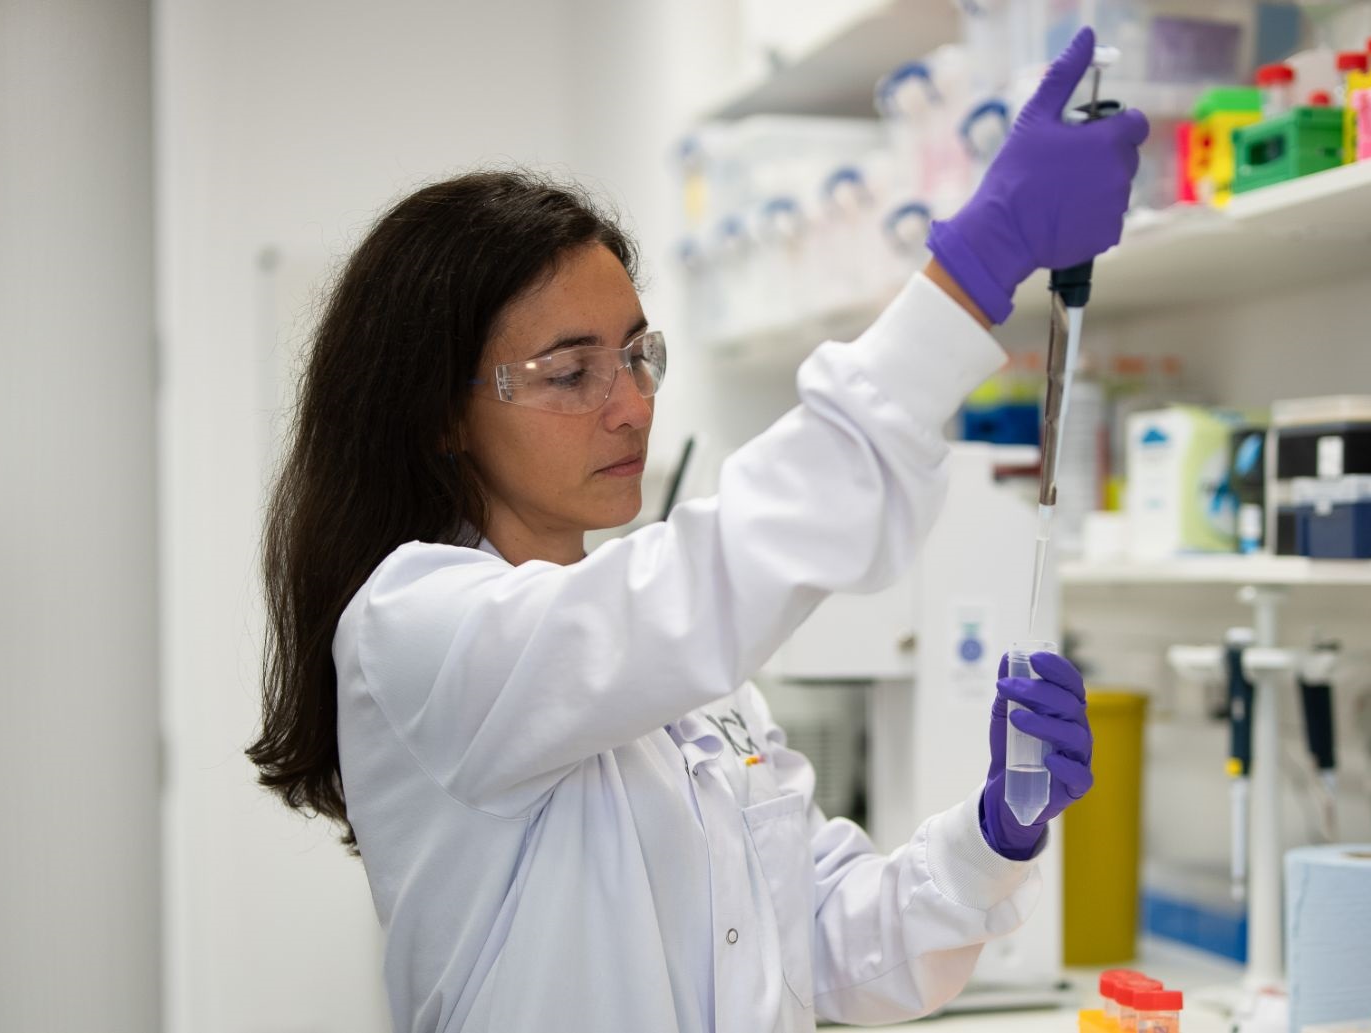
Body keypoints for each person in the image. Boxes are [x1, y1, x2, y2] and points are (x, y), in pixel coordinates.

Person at [249, 27, 1147, 1033]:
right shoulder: (419, 628)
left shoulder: (690, 686)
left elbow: (831, 949)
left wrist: (993, 837)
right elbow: (708, 578)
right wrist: (974, 268)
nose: (630, 404)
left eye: (637, 355)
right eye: (571, 372)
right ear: (443, 413)